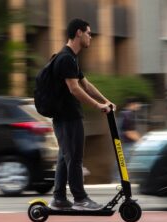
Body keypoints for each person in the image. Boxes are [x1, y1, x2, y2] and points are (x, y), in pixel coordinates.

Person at [48, 18, 116, 211]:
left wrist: (106, 101)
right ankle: (80, 199)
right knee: (75, 158)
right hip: (68, 117)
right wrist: (97, 106)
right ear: (79, 33)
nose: (91, 37)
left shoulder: (70, 58)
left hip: (65, 117)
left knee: (65, 156)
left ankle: (59, 199)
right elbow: (74, 89)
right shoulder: (65, 58)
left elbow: (85, 84)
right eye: (89, 33)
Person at [112, 97, 142, 182]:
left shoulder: (125, 114)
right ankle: (121, 180)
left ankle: (122, 179)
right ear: (132, 104)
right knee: (124, 161)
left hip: (124, 142)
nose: (139, 105)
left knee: (124, 161)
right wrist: (140, 141)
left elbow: (132, 131)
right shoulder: (127, 114)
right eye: (138, 103)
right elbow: (129, 132)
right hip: (126, 142)